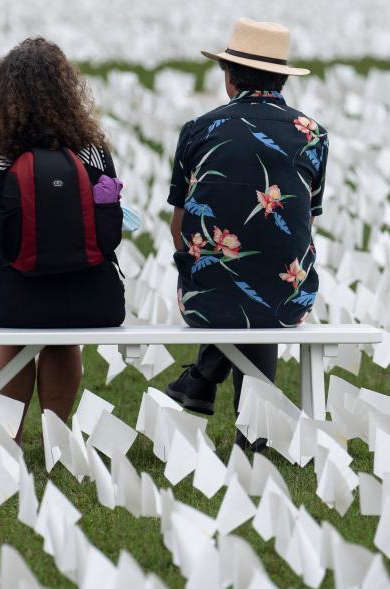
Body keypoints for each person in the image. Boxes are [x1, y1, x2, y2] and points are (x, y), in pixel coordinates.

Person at [0, 37, 126, 436]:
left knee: (10, 340)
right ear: (67, 90)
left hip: (16, 300)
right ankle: (55, 437)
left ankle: (9, 439)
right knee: (64, 341)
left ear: (2, 94)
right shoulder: (93, 151)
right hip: (90, 299)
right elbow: (109, 227)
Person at [164, 18, 328, 450]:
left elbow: (179, 228)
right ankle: (251, 435)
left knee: (233, 281)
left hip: (205, 300)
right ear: (282, 78)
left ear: (229, 76)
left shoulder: (198, 130)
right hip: (288, 298)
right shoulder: (312, 135)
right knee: (265, 277)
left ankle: (203, 376)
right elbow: (300, 228)